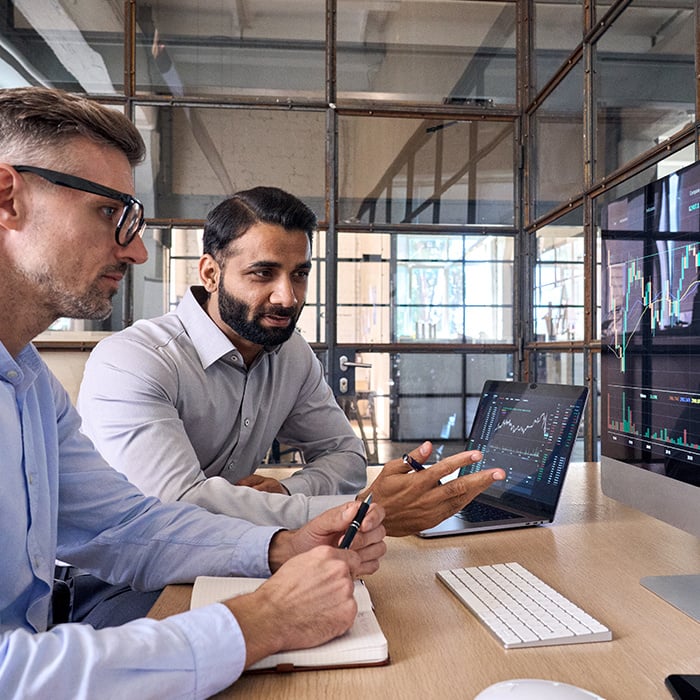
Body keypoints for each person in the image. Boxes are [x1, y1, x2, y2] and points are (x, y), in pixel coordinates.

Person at [0, 86, 386, 699]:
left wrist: (281, 543)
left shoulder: (28, 382)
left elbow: (123, 525)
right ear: (7, 197)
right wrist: (263, 620)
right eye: (109, 213)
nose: (136, 249)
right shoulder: (133, 358)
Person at [77, 187, 507, 538]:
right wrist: (360, 511)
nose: (288, 297)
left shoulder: (290, 352)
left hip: (229, 554)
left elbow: (345, 454)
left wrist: (287, 488)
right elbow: (177, 506)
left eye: (299, 274)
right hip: (115, 576)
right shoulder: (134, 361)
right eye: (263, 274)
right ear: (210, 273)